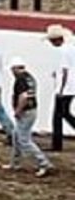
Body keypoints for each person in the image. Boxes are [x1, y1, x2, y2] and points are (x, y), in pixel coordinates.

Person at [7, 57, 52, 177]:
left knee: (24, 140)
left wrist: (18, 110)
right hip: (31, 110)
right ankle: (15, 163)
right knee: (16, 136)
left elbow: (23, 97)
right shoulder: (29, 77)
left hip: (25, 112)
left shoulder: (20, 80)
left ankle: (43, 163)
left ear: (15, 68)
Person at [49, 24, 75, 152]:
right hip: (71, 87)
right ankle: (56, 144)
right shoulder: (71, 48)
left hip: (65, 88)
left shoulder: (63, 51)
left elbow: (65, 72)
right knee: (64, 113)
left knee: (58, 116)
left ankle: (57, 144)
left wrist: (60, 89)